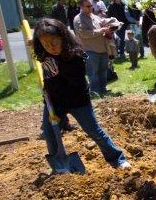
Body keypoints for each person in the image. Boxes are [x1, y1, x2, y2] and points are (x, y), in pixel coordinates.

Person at [32, 18, 131, 172]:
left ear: (63, 38)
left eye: (54, 42)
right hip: (53, 100)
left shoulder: (75, 57)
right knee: (49, 130)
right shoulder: (45, 55)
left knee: (93, 130)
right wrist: (51, 103)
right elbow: (50, 80)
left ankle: (117, 158)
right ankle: (59, 164)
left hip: (77, 100)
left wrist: (59, 113)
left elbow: (73, 87)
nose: (50, 47)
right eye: (45, 44)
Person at [73, 0, 111, 97]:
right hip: (89, 50)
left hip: (103, 49)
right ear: (81, 7)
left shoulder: (95, 17)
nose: (91, 8)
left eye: (91, 6)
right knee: (92, 73)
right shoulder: (78, 19)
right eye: (88, 6)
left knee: (103, 71)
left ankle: (103, 90)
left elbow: (103, 23)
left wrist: (111, 25)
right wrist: (101, 30)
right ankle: (95, 93)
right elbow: (84, 34)